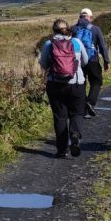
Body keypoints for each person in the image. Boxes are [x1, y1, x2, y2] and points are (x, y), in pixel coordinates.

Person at [39, 17, 90, 158]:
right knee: (77, 113)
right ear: (68, 28)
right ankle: (75, 135)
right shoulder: (77, 42)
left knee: (60, 117)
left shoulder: (49, 44)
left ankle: (62, 150)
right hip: (77, 83)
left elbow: (43, 64)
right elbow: (86, 61)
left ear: (53, 30)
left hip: (55, 84)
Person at [72, 8, 111, 114]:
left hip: (78, 61)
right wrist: (106, 61)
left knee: (81, 83)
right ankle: (90, 102)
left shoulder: (73, 29)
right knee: (96, 81)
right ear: (90, 17)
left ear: (80, 16)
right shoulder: (95, 29)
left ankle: (83, 104)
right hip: (92, 60)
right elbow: (102, 46)